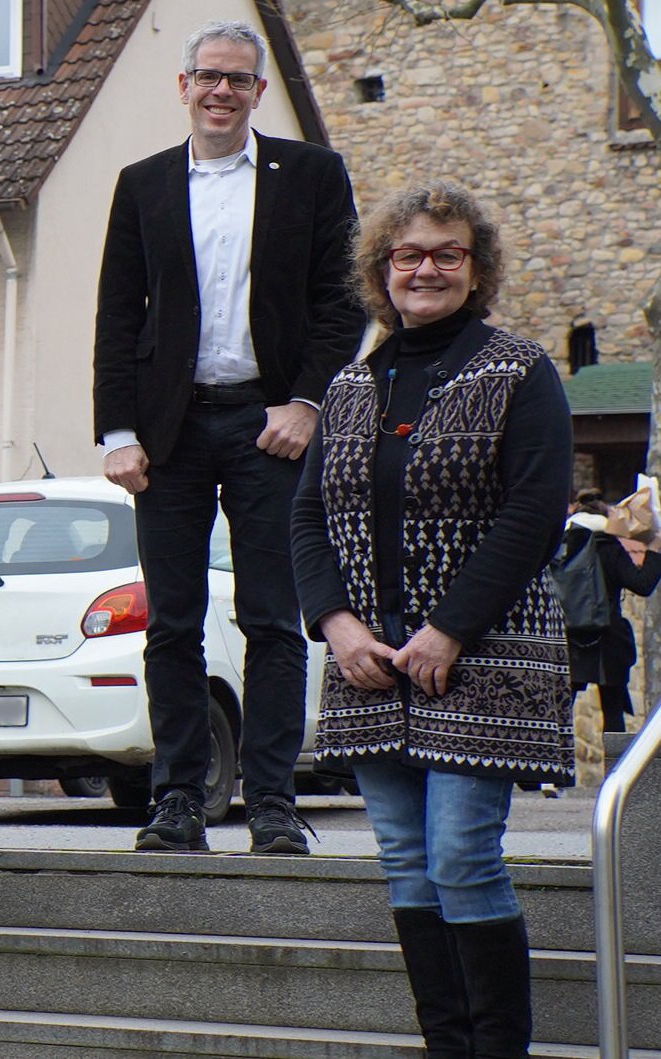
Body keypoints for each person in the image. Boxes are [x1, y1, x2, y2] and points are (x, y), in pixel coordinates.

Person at [289, 180, 571, 1058]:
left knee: (460, 858)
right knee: (407, 866)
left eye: (447, 253)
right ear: (381, 270)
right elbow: (304, 517)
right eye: (408, 254)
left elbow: (535, 509)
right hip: (369, 663)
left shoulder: (518, 371)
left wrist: (448, 627)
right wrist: (334, 624)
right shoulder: (347, 386)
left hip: (482, 658)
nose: (426, 269)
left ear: (475, 268)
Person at [90, 18, 365, 854]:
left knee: (274, 620)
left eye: (237, 79)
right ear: (183, 86)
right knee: (171, 623)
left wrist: (306, 403)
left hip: (268, 425)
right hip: (167, 434)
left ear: (256, 91)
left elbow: (342, 301)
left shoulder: (311, 176)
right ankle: (177, 798)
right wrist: (117, 430)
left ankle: (275, 801)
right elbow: (116, 314)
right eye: (206, 76)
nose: (220, 90)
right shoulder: (140, 184)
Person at [562, 491, 659, 732]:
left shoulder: (561, 546)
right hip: (609, 638)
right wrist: (655, 551)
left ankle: (557, 768)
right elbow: (643, 584)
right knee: (613, 715)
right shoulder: (608, 546)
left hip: (570, 639)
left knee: (562, 713)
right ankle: (615, 768)